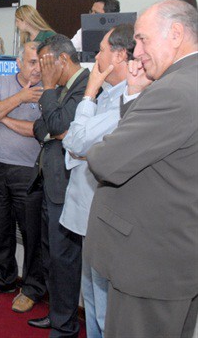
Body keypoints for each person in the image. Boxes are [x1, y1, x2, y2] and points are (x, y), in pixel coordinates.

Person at [84, 0, 198, 337]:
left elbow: (105, 160)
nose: (137, 51)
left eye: (143, 39)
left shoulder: (174, 91)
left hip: (149, 265)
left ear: (176, 33)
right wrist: (135, 95)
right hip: (176, 257)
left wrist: (102, 142)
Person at [61, 24, 149, 338]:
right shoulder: (110, 95)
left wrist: (88, 93)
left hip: (105, 218)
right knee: (93, 305)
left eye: (100, 50)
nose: (95, 57)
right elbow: (75, 147)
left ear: (120, 55)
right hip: (89, 214)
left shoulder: (129, 99)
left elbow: (75, 142)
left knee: (105, 310)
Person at [26, 35, 89, 337]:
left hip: (66, 186)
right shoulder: (62, 89)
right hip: (50, 181)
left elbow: (59, 125)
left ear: (62, 59)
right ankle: (57, 315)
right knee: (51, 256)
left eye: (45, 63)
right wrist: (55, 127)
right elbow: (41, 128)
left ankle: (65, 326)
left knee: (64, 259)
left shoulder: (85, 86)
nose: (41, 71)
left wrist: (49, 92)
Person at [0, 42, 46, 313]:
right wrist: (20, 98)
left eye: (41, 62)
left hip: (28, 171)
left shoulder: (49, 91)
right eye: (31, 62)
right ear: (19, 63)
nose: (37, 68)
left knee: (32, 234)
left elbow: (36, 130)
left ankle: (31, 288)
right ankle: (3, 278)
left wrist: (3, 116)